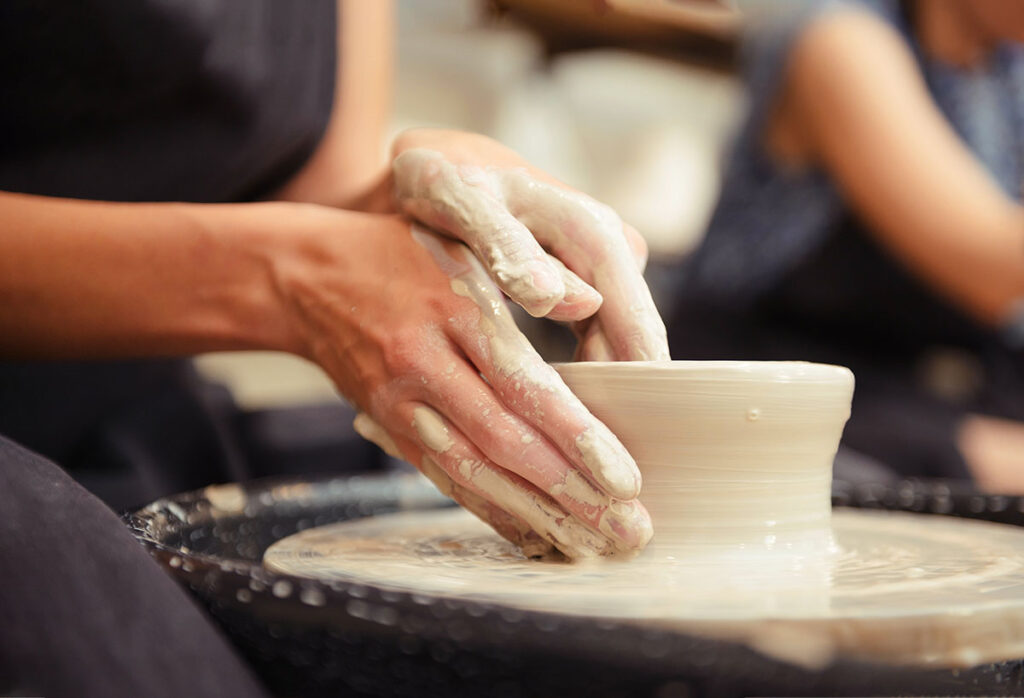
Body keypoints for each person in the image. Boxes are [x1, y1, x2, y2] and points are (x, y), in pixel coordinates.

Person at [0, 2, 668, 696]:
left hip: (139, 409)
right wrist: (289, 281)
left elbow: (318, 197)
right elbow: (301, 258)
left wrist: (424, 200)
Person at [669, 0, 1024, 490]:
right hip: (774, 383)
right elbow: (990, 266)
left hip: (909, 378)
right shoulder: (841, 37)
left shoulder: (1004, 72)